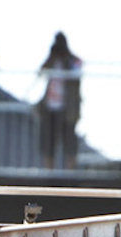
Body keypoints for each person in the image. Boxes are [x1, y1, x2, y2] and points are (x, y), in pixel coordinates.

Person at [39, 32, 82, 169]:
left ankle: (70, 172)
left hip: (68, 109)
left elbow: (77, 72)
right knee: (48, 143)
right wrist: (51, 57)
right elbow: (41, 71)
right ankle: (49, 172)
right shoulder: (52, 60)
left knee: (69, 142)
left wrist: (65, 59)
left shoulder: (72, 60)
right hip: (50, 108)